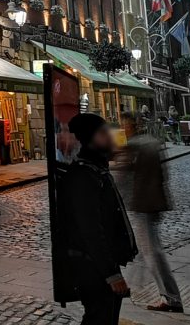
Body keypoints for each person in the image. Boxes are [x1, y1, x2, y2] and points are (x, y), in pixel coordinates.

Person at [60, 113, 137, 324]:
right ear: (90, 139)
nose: (110, 138)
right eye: (104, 133)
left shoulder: (97, 170)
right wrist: (111, 274)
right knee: (99, 318)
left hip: (99, 265)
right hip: (92, 268)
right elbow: (90, 230)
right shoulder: (84, 176)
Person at [118, 111, 183, 312]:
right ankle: (131, 286)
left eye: (125, 125)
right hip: (153, 203)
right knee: (144, 250)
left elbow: (121, 178)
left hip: (142, 205)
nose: (124, 129)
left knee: (151, 252)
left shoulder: (135, 146)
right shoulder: (151, 142)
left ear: (131, 126)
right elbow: (163, 175)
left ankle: (171, 298)